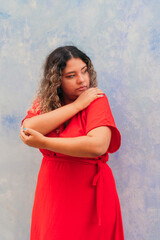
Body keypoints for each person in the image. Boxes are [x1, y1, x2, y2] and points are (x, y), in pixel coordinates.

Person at [20, 46, 124, 240]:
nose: (82, 80)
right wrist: (76, 106)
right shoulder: (46, 102)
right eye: (71, 75)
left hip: (90, 194)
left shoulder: (96, 100)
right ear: (56, 80)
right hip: (53, 192)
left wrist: (45, 142)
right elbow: (27, 129)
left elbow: (97, 146)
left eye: (84, 71)